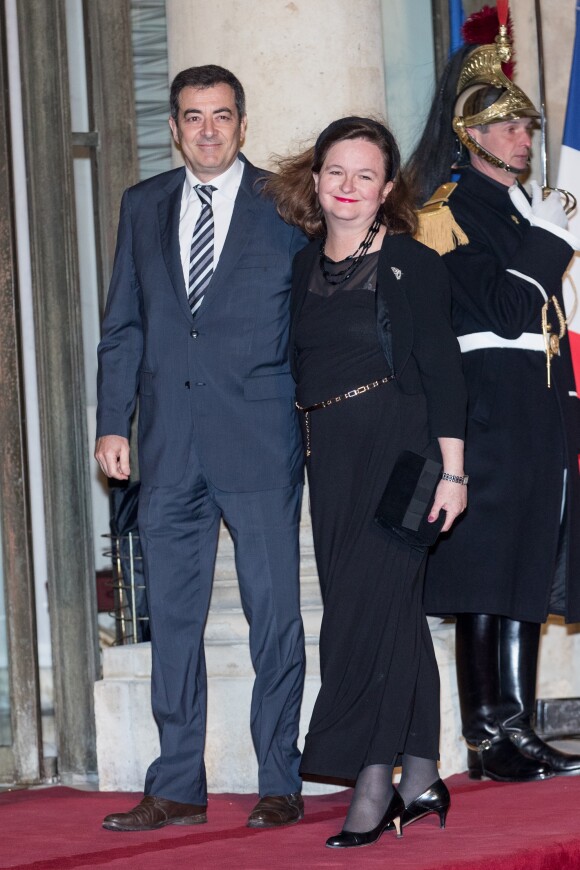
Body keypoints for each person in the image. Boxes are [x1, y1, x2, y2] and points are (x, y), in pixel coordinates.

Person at [95, 64, 308, 832]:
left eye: (222, 116)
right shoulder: (143, 204)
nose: (208, 130)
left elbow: (311, 321)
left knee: (274, 616)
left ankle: (280, 778)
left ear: (243, 126)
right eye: (193, 117)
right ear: (175, 126)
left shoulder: (286, 205)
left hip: (258, 441)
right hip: (169, 447)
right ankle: (176, 783)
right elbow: (123, 325)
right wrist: (113, 423)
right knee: (174, 621)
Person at [266, 117, 467, 849]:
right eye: (336, 173)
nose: (348, 188)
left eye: (365, 176)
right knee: (391, 617)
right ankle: (422, 774)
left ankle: (375, 781)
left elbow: (446, 376)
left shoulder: (414, 262)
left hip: (406, 450)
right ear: (315, 180)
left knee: (367, 618)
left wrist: (453, 472)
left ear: (386, 191)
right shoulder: (299, 267)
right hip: (334, 456)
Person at [406, 20, 580, 781]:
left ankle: (520, 726)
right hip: (488, 413)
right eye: (505, 126)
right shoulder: (447, 209)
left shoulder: (519, 209)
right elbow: (503, 312)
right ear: (469, 134)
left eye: (526, 125)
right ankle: (488, 733)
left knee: (525, 569)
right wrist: (548, 241)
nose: (522, 138)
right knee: (486, 574)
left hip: (539, 408)